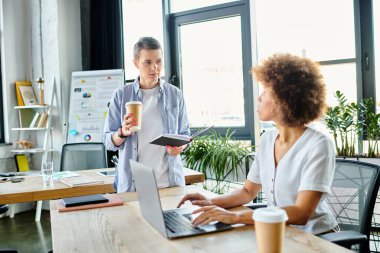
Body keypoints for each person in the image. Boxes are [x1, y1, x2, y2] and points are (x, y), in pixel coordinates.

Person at [177, 53, 338, 235]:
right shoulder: (268, 139)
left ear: (284, 98)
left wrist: (235, 217)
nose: (259, 98)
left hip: (316, 237)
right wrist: (210, 202)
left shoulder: (318, 144)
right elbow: (247, 191)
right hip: (277, 232)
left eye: (265, 91)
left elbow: (301, 213)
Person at [104, 37, 190, 192]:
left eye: (158, 61)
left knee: (173, 217)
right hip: (133, 186)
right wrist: (122, 132)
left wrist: (179, 147)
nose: (154, 68)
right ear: (136, 63)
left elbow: (185, 135)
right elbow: (108, 142)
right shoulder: (122, 95)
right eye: (148, 62)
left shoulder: (175, 95)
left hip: (169, 184)